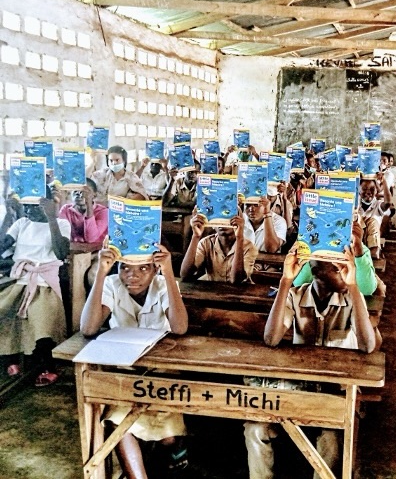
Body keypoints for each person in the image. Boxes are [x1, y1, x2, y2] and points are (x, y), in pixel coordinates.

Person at [244, 246, 377, 479]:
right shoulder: (296, 295)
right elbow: (271, 338)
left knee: (333, 438)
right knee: (255, 428)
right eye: (338, 269)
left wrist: (355, 286)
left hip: (334, 393)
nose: (345, 273)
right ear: (319, 274)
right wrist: (286, 281)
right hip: (299, 389)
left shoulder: (351, 297)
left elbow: (367, 346)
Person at [80, 241, 189, 479]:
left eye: (143, 268)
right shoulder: (111, 284)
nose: (133, 276)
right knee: (119, 422)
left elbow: (179, 327)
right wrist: (101, 271)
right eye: (124, 268)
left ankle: (173, 450)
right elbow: (88, 328)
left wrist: (169, 272)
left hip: (161, 373)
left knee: (168, 437)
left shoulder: (163, 285)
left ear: (155, 269)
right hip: (124, 374)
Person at [0, 193, 70, 386]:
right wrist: (9, 214)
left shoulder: (61, 224)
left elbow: (61, 253)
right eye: (27, 206)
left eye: (35, 206)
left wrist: (51, 218)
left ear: (46, 205)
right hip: (19, 280)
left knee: (42, 324)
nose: (29, 210)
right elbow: (1, 246)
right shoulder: (22, 223)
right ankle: (11, 358)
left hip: (44, 283)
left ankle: (49, 367)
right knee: (6, 313)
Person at [180, 212, 258, 284]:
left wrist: (239, 237)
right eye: (217, 218)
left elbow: (236, 280)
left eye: (228, 218)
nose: (222, 223)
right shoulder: (206, 243)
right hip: (214, 292)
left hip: (241, 295)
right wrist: (195, 236)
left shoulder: (249, 247)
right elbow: (185, 275)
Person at [58, 179, 108, 244]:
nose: (79, 193)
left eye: (84, 191)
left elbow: (91, 239)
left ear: (94, 195)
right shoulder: (66, 209)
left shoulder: (103, 212)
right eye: (75, 190)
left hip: (95, 252)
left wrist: (88, 204)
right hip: (73, 250)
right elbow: (62, 236)